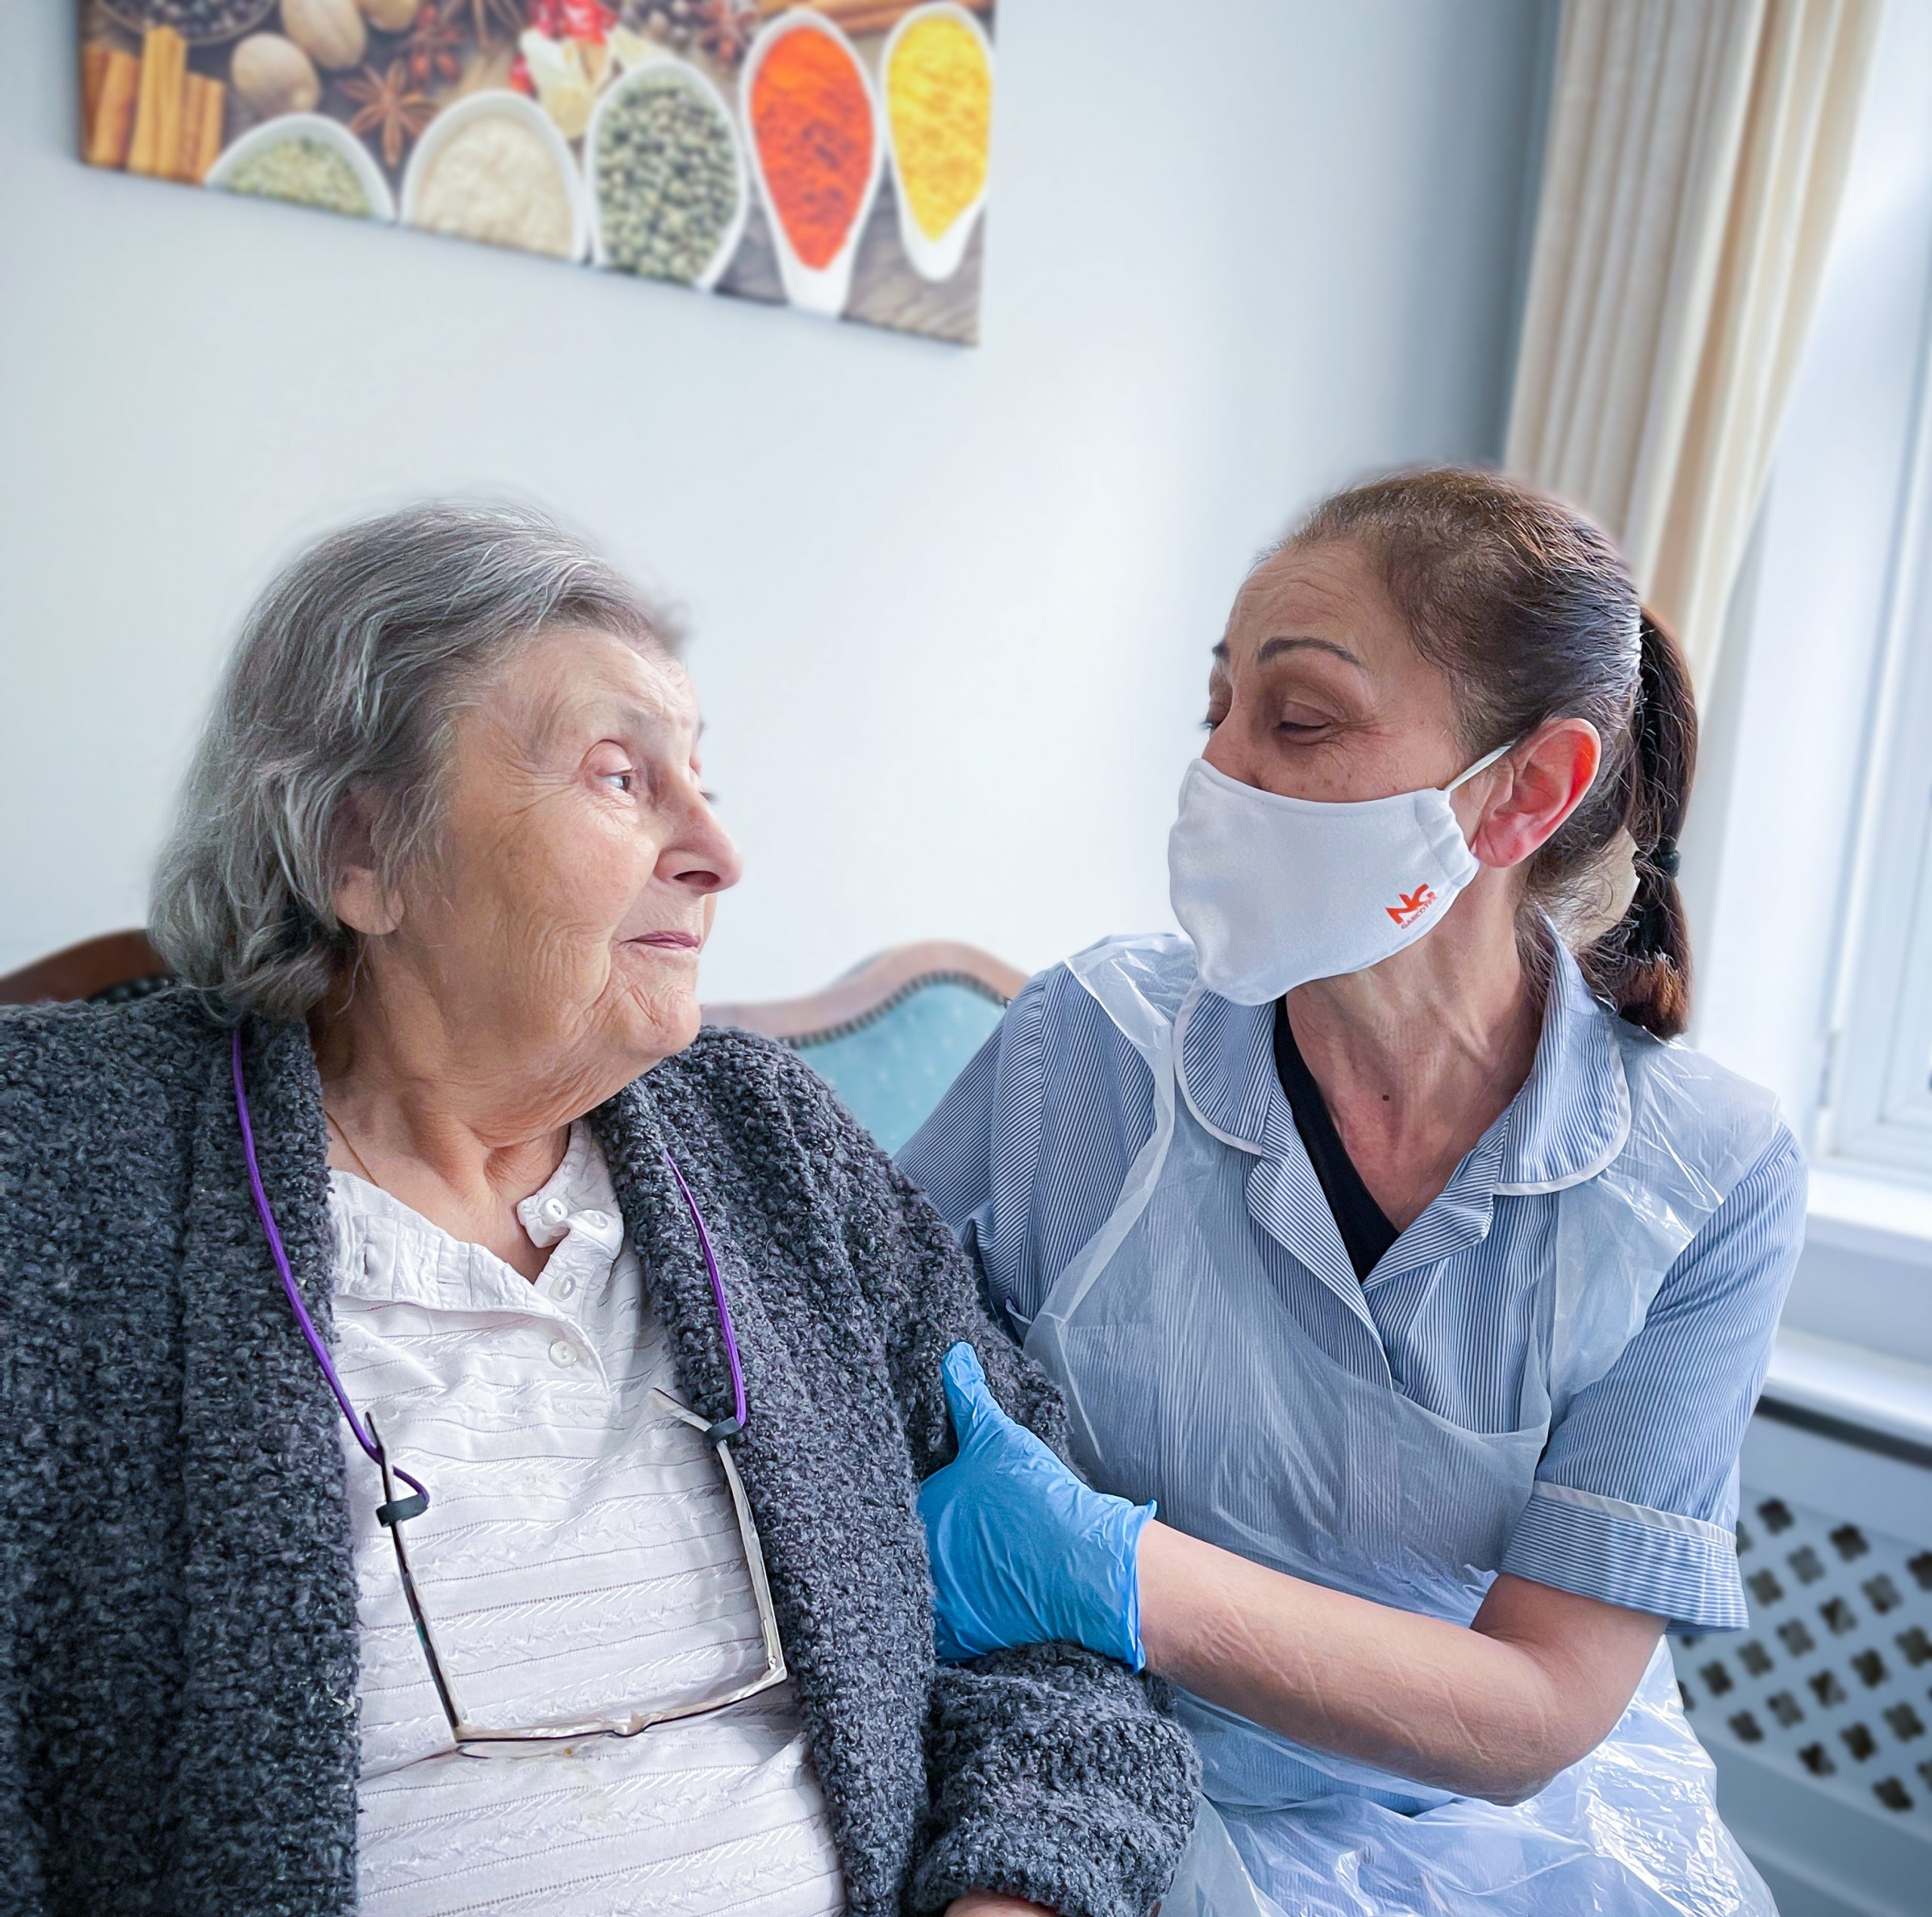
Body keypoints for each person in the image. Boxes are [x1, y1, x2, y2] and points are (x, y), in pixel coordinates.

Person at [0, 504, 1195, 1917]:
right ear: (359, 848)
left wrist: (1014, 1895)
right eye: (623, 779)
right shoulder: (70, 1166)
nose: (718, 852)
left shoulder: (767, 1146)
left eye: (706, 780)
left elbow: (1051, 1634)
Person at [901, 469, 1803, 1917]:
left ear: (1525, 791)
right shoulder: (1090, 1050)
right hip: (1125, 1775)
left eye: (1299, 719)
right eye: (1217, 716)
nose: (1224, 773)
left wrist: (1110, 1568)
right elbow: (832, 1339)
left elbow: (1536, 1710)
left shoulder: (1706, 1182)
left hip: (1522, 1842)